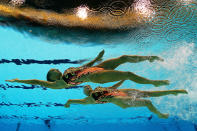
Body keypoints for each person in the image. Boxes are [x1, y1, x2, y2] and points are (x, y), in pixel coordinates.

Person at [6, 50, 169, 88]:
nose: (55, 68)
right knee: (127, 74)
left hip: (97, 67)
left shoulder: (68, 72)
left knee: (124, 58)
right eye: (53, 70)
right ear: (52, 77)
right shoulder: (60, 84)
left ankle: (150, 58)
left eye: (54, 68)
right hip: (96, 77)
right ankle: (153, 83)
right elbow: (36, 81)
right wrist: (18, 80)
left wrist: (97, 59)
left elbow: (83, 67)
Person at [65, 80, 187, 118]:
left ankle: (173, 92)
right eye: (85, 88)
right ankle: (159, 114)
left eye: (87, 85)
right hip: (119, 100)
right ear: (86, 93)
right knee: (147, 102)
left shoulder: (98, 89)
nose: (86, 86)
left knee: (147, 93)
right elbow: (79, 102)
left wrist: (123, 79)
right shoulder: (90, 99)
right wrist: (69, 102)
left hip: (120, 93)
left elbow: (112, 87)